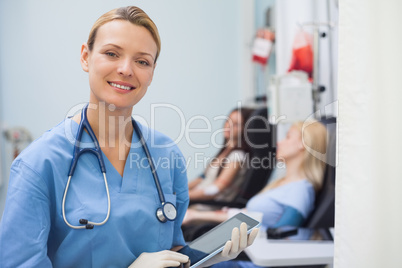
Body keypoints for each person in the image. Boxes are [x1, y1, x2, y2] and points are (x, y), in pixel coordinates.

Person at [0, 6, 258, 268]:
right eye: (112, 53)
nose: (126, 69)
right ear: (85, 57)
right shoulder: (39, 163)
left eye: (142, 61)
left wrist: (208, 257)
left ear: (152, 72)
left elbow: (170, 249)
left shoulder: (167, 155)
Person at [183, 120, 327, 257]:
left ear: (303, 144)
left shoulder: (299, 191)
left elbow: (278, 235)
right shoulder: (281, 183)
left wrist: (198, 216)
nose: (279, 142)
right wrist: (197, 216)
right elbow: (251, 217)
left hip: (252, 258)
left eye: (288, 137)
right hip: (246, 249)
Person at [188, 107, 253, 203]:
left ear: (245, 129)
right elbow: (202, 178)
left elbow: (215, 190)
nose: (229, 126)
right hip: (196, 201)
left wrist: (182, 196)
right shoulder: (224, 152)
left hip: (207, 205)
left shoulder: (237, 156)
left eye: (236, 124)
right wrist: (176, 192)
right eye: (228, 121)